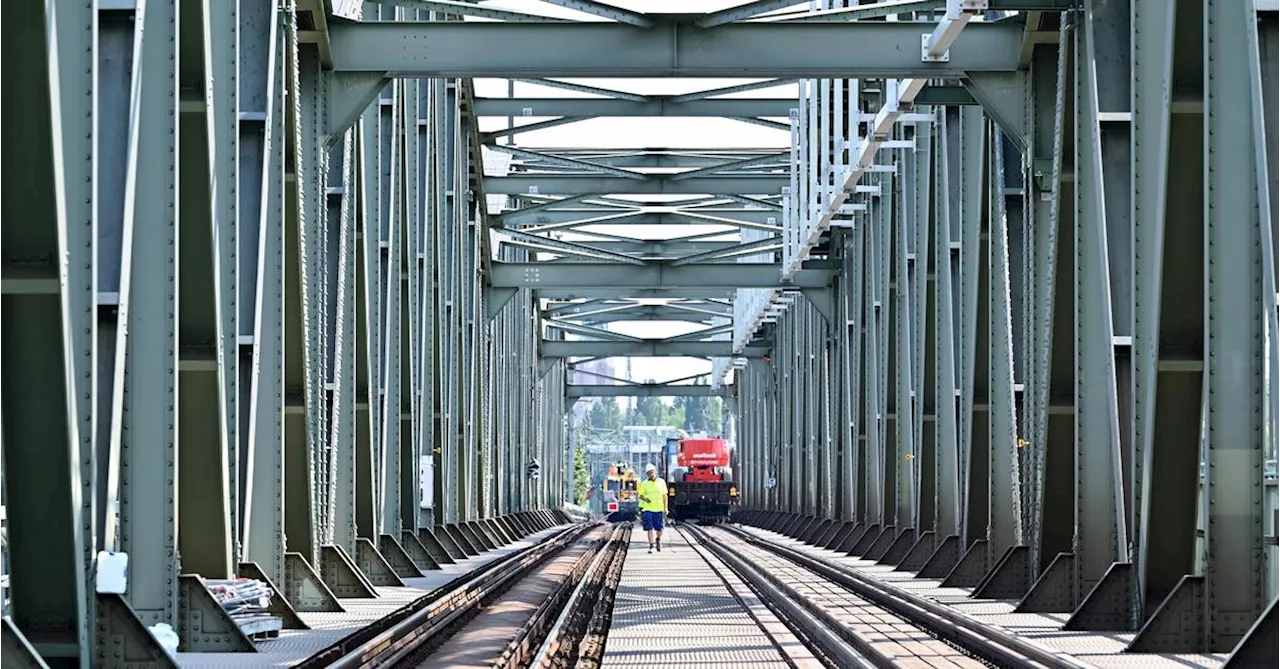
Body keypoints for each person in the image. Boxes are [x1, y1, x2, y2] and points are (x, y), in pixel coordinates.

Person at [636, 463, 668, 553]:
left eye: (652, 472)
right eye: (649, 473)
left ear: (655, 472)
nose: (651, 474)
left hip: (659, 509)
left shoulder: (661, 482)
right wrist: (645, 500)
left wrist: (666, 508)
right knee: (649, 528)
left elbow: (664, 496)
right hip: (648, 509)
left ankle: (658, 539)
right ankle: (651, 545)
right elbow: (640, 496)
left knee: (659, 528)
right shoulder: (644, 484)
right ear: (647, 474)